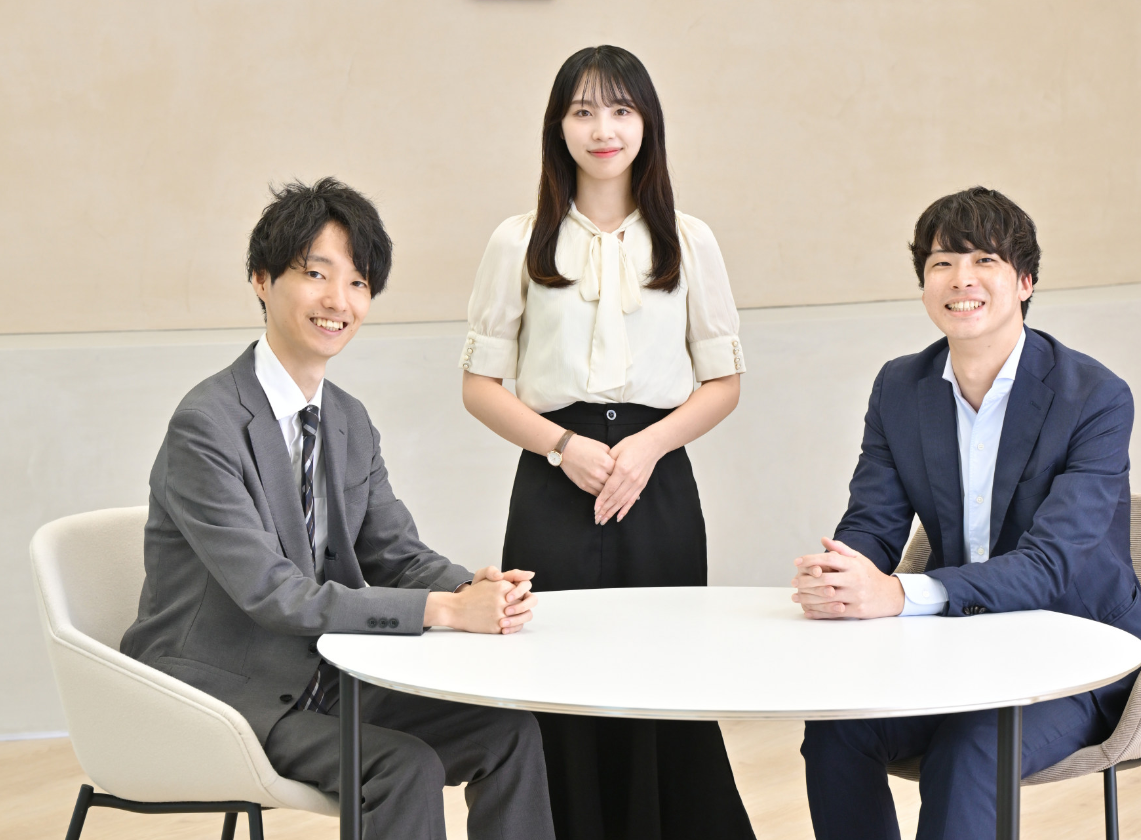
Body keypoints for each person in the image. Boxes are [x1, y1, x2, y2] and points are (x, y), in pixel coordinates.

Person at [121, 177, 555, 840]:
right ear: (261, 279)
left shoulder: (348, 420)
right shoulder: (205, 425)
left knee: (508, 732)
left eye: (357, 282)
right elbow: (273, 595)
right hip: (225, 693)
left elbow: (396, 554)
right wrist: (444, 611)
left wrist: (473, 588)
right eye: (316, 274)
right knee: (403, 766)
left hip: (325, 677)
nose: (338, 301)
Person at [792, 187, 1141, 840]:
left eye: (984, 260)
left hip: (1076, 654)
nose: (961, 279)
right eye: (942, 263)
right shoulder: (900, 386)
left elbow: (1050, 566)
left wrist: (897, 594)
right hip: (958, 649)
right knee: (836, 729)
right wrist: (843, 574)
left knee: (971, 751)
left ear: (1025, 281)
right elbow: (874, 521)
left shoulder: (1094, 396)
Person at [460, 46, 755, 840]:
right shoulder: (517, 240)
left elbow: (723, 382)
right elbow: (480, 386)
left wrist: (648, 449)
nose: (603, 129)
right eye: (583, 111)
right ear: (557, 127)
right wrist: (564, 447)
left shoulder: (689, 240)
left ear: (646, 123)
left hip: (658, 478)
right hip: (553, 479)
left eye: (621, 110)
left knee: (665, 675)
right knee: (554, 671)